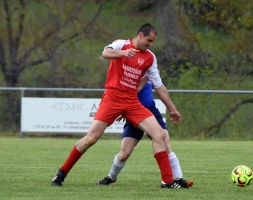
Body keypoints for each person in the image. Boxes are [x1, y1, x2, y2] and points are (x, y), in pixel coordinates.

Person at [51, 23, 186, 189]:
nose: (150, 44)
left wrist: (173, 109)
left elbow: (159, 86)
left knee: (159, 135)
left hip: (131, 101)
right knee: (92, 137)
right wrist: (123, 53)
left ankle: (168, 181)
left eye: (153, 42)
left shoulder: (150, 58)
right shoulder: (121, 44)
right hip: (112, 98)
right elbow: (105, 53)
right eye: (149, 40)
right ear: (140, 35)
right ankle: (62, 172)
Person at [95, 77, 194, 188]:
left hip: (151, 111)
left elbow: (157, 86)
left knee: (165, 143)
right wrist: (122, 109)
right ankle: (111, 177)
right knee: (124, 154)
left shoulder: (146, 66)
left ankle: (178, 179)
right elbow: (124, 93)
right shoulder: (125, 73)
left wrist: (173, 109)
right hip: (132, 113)